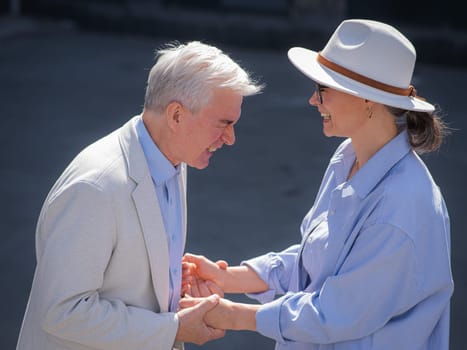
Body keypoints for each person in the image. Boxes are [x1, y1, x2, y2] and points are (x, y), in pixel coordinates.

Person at [181, 19, 454, 350]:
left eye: (323, 89)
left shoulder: (403, 207)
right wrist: (227, 277)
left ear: (367, 100)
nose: (314, 100)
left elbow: (336, 314)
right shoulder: (348, 155)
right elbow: (316, 260)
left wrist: (231, 315)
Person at [16, 41, 262, 350]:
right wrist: (173, 328)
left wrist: (174, 285)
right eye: (224, 123)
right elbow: (62, 311)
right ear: (176, 116)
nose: (231, 138)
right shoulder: (95, 189)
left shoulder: (174, 158)